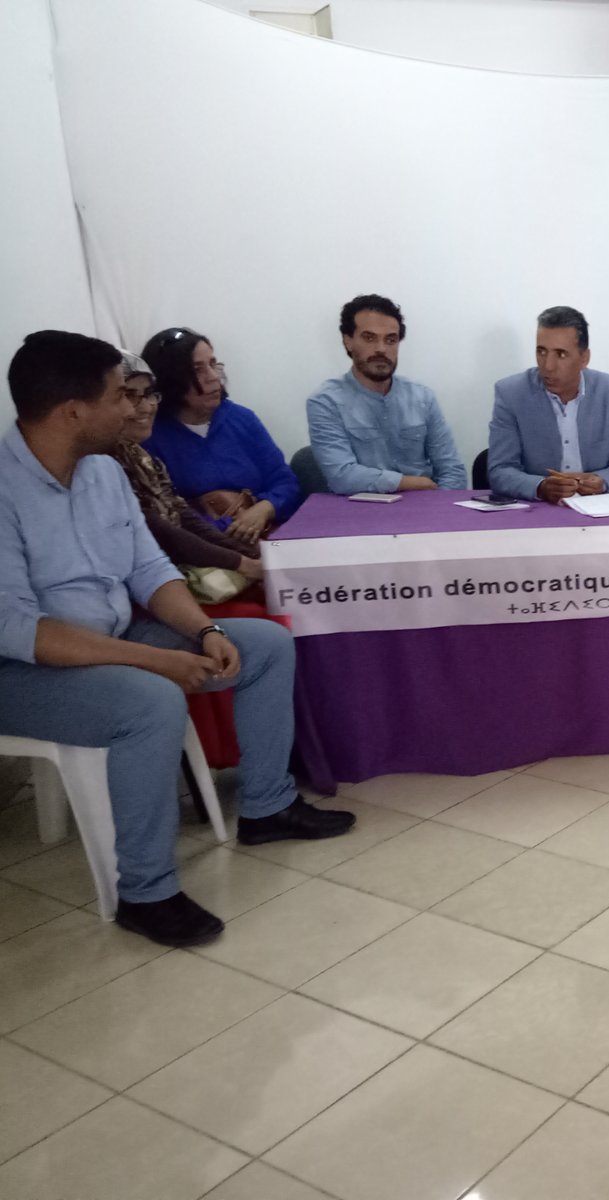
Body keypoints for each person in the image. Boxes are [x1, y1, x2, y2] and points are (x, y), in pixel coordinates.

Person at [0, 332, 355, 948]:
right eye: (119, 396)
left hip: (117, 632)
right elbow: (18, 629)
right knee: (151, 702)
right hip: (26, 669)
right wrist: (156, 660)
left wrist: (204, 630)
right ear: (74, 411)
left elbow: (149, 569)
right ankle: (146, 891)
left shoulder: (104, 472)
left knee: (265, 645)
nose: (133, 408)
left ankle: (267, 807)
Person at [111, 351, 263, 582]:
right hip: (148, 579)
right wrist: (243, 563)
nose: (146, 407)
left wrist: (250, 556)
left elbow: (182, 515)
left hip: (176, 566)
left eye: (149, 394)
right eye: (130, 395)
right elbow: (162, 532)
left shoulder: (140, 455)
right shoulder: (103, 464)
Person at [140, 327, 300, 543]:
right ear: (170, 379)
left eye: (213, 364)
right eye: (197, 370)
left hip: (266, 534)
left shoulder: (241, 418)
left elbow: (285, 482)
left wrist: (265, 508)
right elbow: (165, 514)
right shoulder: (150, 436)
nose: (214, 377)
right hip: (201, 546)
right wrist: (232, 525)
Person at [306, 294, 467, 495]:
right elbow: (342, 477)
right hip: (360, 509)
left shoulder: (423, 398)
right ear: (348, 342)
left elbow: (453, 470)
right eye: (369, 338)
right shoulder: (326, 402)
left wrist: (438, 506)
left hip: (425, 505)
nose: (381, 349)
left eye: (391, 340)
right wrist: (413, 483)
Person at [488, 306, 609, 503]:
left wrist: (602, 481)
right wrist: (540, 486)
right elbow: (500, 470)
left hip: (598, 506)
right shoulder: (511, 393)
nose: (548, 366)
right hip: (539, 510)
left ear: (584, 358)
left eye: (560, 354)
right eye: (541, 352)